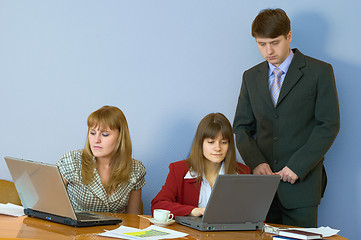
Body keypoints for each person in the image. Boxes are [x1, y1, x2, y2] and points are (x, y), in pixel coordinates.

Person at [233, 8, 340, 227]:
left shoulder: (320, 72)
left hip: (302, 185)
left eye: (274, 42)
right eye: (261, 44)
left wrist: (298, 166)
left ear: (288, 36)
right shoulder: (250, 76)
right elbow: (242, 127)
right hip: (262, 188)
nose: (268, 51)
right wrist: (256, 163)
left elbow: (328, 125)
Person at [151, 113, 250, 217]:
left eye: (224, 142)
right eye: (211, 142)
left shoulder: (242, 172)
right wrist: (193, 211)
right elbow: (158, 205)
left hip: (229, 233)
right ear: (200, 143)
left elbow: (256, 213)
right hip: (190, 233)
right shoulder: (179, 170)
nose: (218, 148)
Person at [57, 106, 146, 214]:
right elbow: (48, 204)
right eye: (92, 133)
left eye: (105, 134)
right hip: (75, 230)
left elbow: (133, 219)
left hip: (116, 230)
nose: (96, 140)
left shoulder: (136, 169)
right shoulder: (72, 160)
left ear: (120, 137)